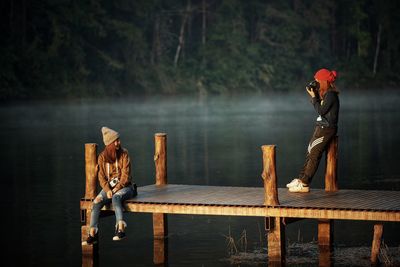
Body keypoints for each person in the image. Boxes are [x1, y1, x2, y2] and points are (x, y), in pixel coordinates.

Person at [287, 68, 340, 193]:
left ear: (323, 81)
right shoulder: (326, 94)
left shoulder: (331, 95)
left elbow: (321, 111)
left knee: (314, 154)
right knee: (310, 151)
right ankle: (301, 179)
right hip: (321, 127)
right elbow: (321, 109)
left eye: (317, 81)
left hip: (326, 129)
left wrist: (313, 97)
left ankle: (305, 184)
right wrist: (315, 95)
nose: (315, 82)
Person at [82, 127, 137, 245]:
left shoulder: (124, 154)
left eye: (118, 140)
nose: (118, 143)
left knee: (116, 197)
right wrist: (107, 190)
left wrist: (117, 188)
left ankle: (121, 228)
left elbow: (126, 175)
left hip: (126, 187)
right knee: (96, 202)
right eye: (115, 141)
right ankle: (92, 234)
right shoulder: (101, 157)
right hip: (109, 188)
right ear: (109, 144)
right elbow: (101, 178)